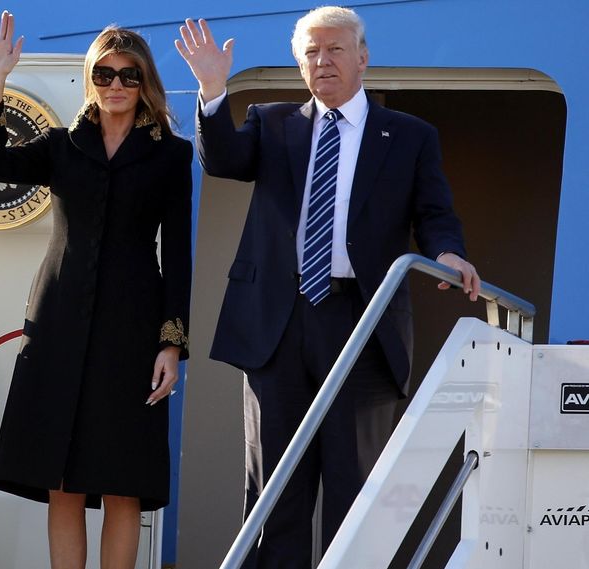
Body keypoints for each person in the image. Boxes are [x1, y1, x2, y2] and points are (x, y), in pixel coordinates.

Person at [176, 6, 480, 567]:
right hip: (278, 322)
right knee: (276, 488)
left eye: (335, 49)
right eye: (311, 53)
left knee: (353, 486)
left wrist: (448, 251)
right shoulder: (271, 122)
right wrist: (214, 90)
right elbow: (223, 160)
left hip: (361, 323)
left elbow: (435, 211)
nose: (323, 61)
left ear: (362, 58)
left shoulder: (410, 136)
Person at [0, 12, 193, 569]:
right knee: (62, 477)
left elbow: (179, 254)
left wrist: (172, 343)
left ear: (145, 83)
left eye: (127, 75)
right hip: (58, 326)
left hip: (133, 331)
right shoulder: (61, 146)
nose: (115, 85)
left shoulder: (171, 154)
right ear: (89, 78)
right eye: (104, 74)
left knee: (122, 480)